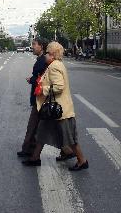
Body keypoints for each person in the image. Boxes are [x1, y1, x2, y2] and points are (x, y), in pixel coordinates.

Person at [22, 41, 89, 171]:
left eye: (47, 53)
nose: (45, 55)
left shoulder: (54, 67)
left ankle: (82, 160)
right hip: (51, 109)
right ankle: (35, 158)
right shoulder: (54, 64)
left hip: (59, 109)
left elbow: (59, 86)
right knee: (41, 133)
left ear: (52, 55)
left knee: (69, 138)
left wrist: (43, 90)